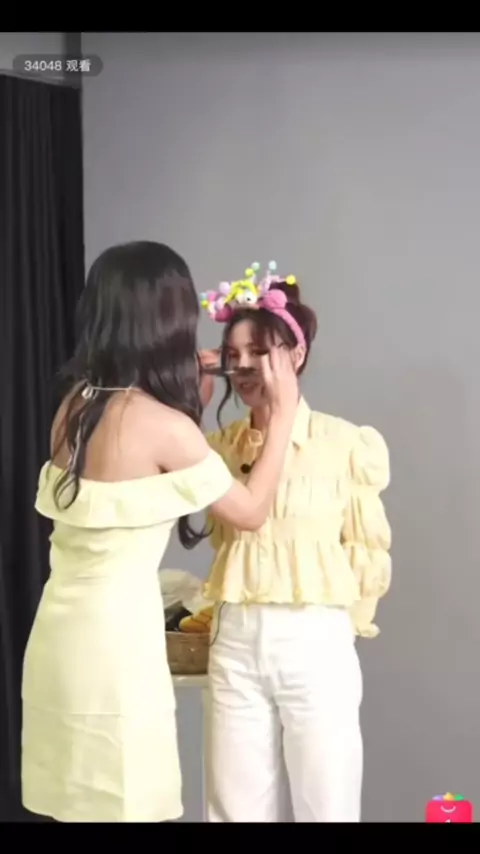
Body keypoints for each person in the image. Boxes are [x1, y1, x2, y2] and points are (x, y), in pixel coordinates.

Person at [21, 242, 299, 824]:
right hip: (115, 646)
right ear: (169, 321)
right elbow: (249, 510)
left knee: (75, 804)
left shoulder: (73, 407)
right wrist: (284, 413)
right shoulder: (165, 426)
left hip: (57, 635)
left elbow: (134, 461)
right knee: (126, 801)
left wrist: (185, 400)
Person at [197, 260, 392, 823]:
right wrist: (194, 390)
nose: (243, 366)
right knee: (232, 811)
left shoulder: (344, 444)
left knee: (327, 807)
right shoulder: (217, 447)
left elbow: (366, 549)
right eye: (233, 354)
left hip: (316, 636)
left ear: (296, 354)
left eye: (259, 352)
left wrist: (340, 630)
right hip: (235, 640)